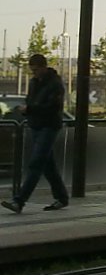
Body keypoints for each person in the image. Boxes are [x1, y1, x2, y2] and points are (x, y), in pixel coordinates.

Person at [1, 54, 70, 214]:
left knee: (36, 163)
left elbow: (53, 107)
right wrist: (27, 109)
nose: (34, 73)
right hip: (36, 125)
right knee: (48, 165)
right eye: (32, 70)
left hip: (49, 126)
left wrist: (30, 109)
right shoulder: (34, 83)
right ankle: (62, 197)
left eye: (36, 70)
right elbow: (31, 100)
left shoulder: (55, 84)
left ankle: (19, 201)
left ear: (44, 67)